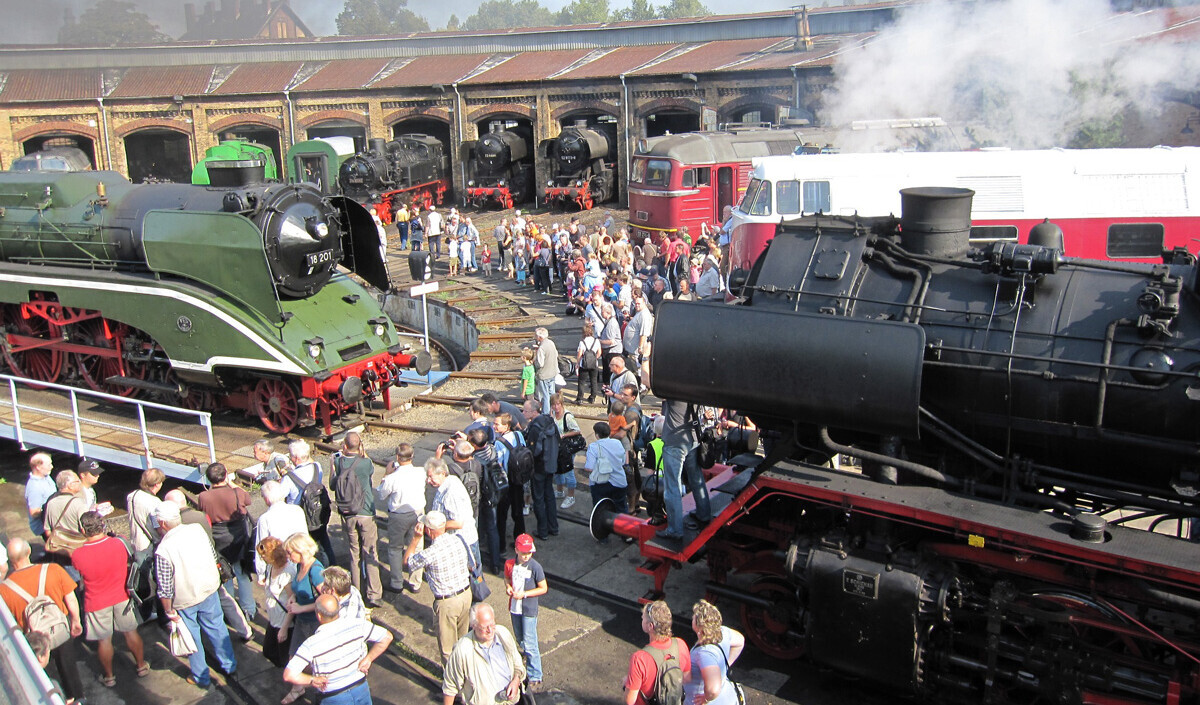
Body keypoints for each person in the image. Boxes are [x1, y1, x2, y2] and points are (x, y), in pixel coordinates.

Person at [154, 502, 237, 688]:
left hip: (185, 600)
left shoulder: (163, 550)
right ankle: (229, 665)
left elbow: (165, 587)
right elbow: (213, 554)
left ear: (162, 523)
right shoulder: (198, 530)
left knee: (191, 638)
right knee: (217, 626)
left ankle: (201, 676)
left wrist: (168, 610)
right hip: (208, 588)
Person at [71, 511, 149, 687]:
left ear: (83, 530)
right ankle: (141, 666)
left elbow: (80, 575)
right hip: (122, 596)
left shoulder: (78, 555)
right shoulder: (118, 543)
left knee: (104, 640)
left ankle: (109, 677)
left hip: (96, 602)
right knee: (131, 632)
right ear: (103, 526)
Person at [1, 538, 84, 700]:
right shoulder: (53, 569)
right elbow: (71, 598)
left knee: (44, 675)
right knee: (68, 669)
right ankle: (77, 699)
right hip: (59, 630)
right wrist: (75, 621)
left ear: (10, 561)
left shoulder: (4, 589)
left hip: (33, 639)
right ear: (29, 552)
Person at [284, 593, 393, 705]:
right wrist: (369, 658)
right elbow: (386, 637)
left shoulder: (311, 644)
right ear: (339, 609)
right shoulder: (357, 625)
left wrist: (312, 680)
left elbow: (289, 674)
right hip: (360, 689)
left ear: (319, 616)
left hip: (333, 697)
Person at [404, 510, 472, 665]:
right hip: (466, 594)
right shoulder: (459, 539)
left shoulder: (430, 553)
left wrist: (415, 539)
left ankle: (453, 683)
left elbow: (408, 561)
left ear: (428, 530)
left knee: (448, 650)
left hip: (447, 602)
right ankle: (467, 674)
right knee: (464, 642)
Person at [196, 462, 257, 620]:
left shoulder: (204, 496)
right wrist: (231, 483)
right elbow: (248, 499)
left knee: (225, 575)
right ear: (225, 476)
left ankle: (231, 613)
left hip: (217, 538)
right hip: (237, 537)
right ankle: (249, 609)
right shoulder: (236, 493)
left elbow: (203, 512)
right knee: (242, 574)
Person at [331, 432, 382, 608]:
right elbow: (370, 471)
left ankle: (356, 591)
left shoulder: (338, 462)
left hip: (348, 513)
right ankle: (374, 594)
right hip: (366, 512)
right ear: (359, 446)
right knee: (370, 552)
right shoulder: (366, 463)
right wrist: (362, 451)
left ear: (344, 446)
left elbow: (332, 485)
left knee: (354, 553)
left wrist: (334, 464)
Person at [442, 602, 526, 705]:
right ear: (474, 626)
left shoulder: (503, 634)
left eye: (492, 624)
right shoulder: (462, 649)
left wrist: (516, 680)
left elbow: (518, 664)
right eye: (484, 627)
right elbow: (450, 687)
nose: (490, 630)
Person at [376, 442, 426, 593]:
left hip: (398, 515)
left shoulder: (392, 478)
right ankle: (415, 582)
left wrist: (387, 473)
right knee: (417, 546)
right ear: (412, 456)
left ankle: (397, 582)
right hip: (418, 512)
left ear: (397, 457)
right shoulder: (421, 472)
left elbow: (381, 494)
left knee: (395, 548)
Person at [659, 400, 710, 541]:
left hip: (675, 442)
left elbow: (647, 381)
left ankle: (675, 530)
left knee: (672, 487)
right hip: (693, 437)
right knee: (696, 479)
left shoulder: (674, 391)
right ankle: (704, 514)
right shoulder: (693, 389)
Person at [283, 532, 325, 705]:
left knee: (319, 662)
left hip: (315, 623)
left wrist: (301, 607)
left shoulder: (316, 571)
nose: (288, 556)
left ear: (300, 551)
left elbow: (327, 601)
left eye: (289, 552)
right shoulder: (301, 566)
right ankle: (297, 688)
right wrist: (294, 597)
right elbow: (299, 588)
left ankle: (322, 692)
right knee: (294, 658)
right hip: (302, 622)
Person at [624, 600, 691, 705]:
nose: (641, 619)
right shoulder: (680, 644)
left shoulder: (639, 658)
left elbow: (629, 700)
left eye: (643, 618)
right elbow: (687, 678)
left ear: (650, 626)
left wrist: (627, 682)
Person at [504, 534, 548, 691]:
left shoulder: (535, 567)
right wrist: (508, 587)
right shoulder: (510, 564)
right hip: (515, 608)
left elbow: (543, 588)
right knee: (520, 638)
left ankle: (535, 674)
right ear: (516, 550)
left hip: (529, 609)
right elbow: (507, 579)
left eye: (528, 553)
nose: (526, 556)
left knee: (530, 642)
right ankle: (528, 661)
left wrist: (525, 594)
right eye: (523, 553)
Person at [284, 439, 336, 566]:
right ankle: (332, 566)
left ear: (295, 458)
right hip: (319, 513)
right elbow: (311, 462)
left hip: (300, 518)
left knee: (302, 548)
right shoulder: (317, 467)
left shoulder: (288, 478)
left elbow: (279, 495)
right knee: (324, 543)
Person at [685, 600, 746, 705]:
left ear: (700, 627)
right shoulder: (723, 632)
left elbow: (713, 689)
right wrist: (725, 666)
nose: (692, 618)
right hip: (728, 697)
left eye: (694, 618)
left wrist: (706, 699)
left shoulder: (704, 654)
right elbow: (740, 641)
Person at [427, 457, 480, 569]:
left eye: (431, 477)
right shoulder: (447, 483)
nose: (428, 480)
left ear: (442, 473)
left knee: (474, 580)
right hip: (458, 542)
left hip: (464, 543)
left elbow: (458, 523)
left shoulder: (451, 493)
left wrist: (436, 527)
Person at [254, 480, 309, 582]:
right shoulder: (297, 510)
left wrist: (261, 573)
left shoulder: (265, 518)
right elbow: (305, 536)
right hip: (300, 560)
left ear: (266, 499)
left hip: (279, 565)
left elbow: (262, 547)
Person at [522, 399, 560, 540]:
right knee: (549, 495)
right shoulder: (549, 421)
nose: (523, 412)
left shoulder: (535, 428)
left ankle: (542, 531)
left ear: (533, 412)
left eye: (525, 410)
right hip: (550, 464)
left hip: (539, 467)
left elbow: (533, 451)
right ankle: (553, 527)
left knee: (538, 498)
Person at [256, 536, 296, 668]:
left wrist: (284, 629)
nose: (262, 558)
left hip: (284, 622)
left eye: (264, 555)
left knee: (285, 659)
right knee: (269, 652)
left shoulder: (288, 573)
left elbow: (292, 603)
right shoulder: (270, 567)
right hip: (274, 619)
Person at [491, 413, 526, 552]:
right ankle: (520, 540)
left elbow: (498, 464)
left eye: (497, 424)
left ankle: (501, 546)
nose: (494, 426)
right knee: (518, 512)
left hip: (506, 482)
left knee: (501, 515)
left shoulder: (499, 442)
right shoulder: (519, 435)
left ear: (506, 426)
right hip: (518, 479)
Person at [584, 422, 630, 514]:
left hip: (600, 484)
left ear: (597, 435)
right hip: (619, 482)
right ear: (609, 433)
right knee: (621, 508)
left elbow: (589, 468)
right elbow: (623, 461)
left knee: (601, 511)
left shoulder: (593, 447)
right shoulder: (617, 443)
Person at [551, 394, 582, 509]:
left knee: (568, 471)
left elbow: (577, 430)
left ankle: (571, 496)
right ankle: (559, 491)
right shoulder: (553, 414)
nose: (556, 407)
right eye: (554, 404)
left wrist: (564, 435)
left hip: (567, 448)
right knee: (558, 469)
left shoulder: (567, 416)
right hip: (557, 448)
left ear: (562, 404)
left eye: (558, 404)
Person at [24, 452, 57, 541]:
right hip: (44, 526)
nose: (52, 467)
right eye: (49, 464)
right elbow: (34, 512)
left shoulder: (46, 476)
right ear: (38, 467)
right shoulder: (35, 488)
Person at [533, 327, 559, 416]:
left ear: (539, 337)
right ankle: (555, 410)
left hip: (544, 375)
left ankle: (546, 413)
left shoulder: (542, 348)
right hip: (553, 372)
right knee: (552, 393)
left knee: (545, 395)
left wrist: (534, 360)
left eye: (536, 336)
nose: (535, 337)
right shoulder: (551, 343)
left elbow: (540, 364)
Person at [576, 320, 602, 405]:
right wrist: (595, 358)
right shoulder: (596, 341)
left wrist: (577, 363)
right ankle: (592, 397)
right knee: (593, 381)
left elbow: (580, 353)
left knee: (581, 381)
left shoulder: (582, 342)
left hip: (584, 364)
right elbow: (599, 352)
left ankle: (580, 398)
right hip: (594, 364)